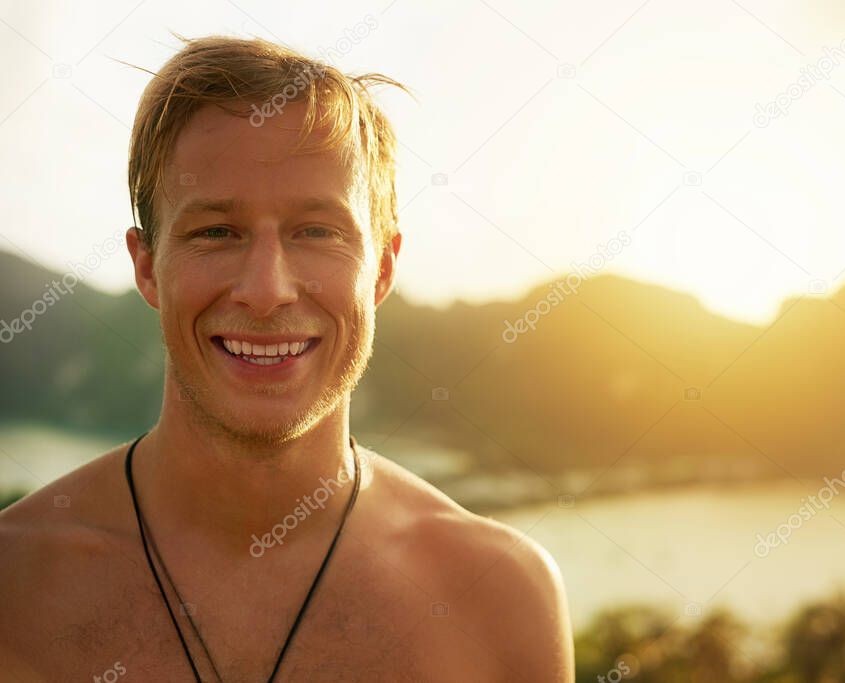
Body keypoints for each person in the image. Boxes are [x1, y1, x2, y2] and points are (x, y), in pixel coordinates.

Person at [0, 35, 574, 681]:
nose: (267, 290)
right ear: (147, 267)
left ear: (381, 268)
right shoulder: (13, 589)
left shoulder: (499, 595)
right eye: (216, 231)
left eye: (317, 232)